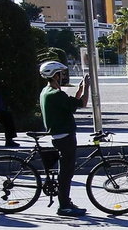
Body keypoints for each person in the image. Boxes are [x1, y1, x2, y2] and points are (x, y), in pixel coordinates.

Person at [37, 61, 89, 217]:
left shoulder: (47, 91)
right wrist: (87, 87)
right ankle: (64, 205)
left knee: (65, 170)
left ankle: (65, 201)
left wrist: (79, 90)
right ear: (55, 75)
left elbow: (70, 106)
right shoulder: (56, 94)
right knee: (66, 172)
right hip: (65, 136)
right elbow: (83, 103)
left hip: (59, 136)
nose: (63, 76)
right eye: (61, 74)